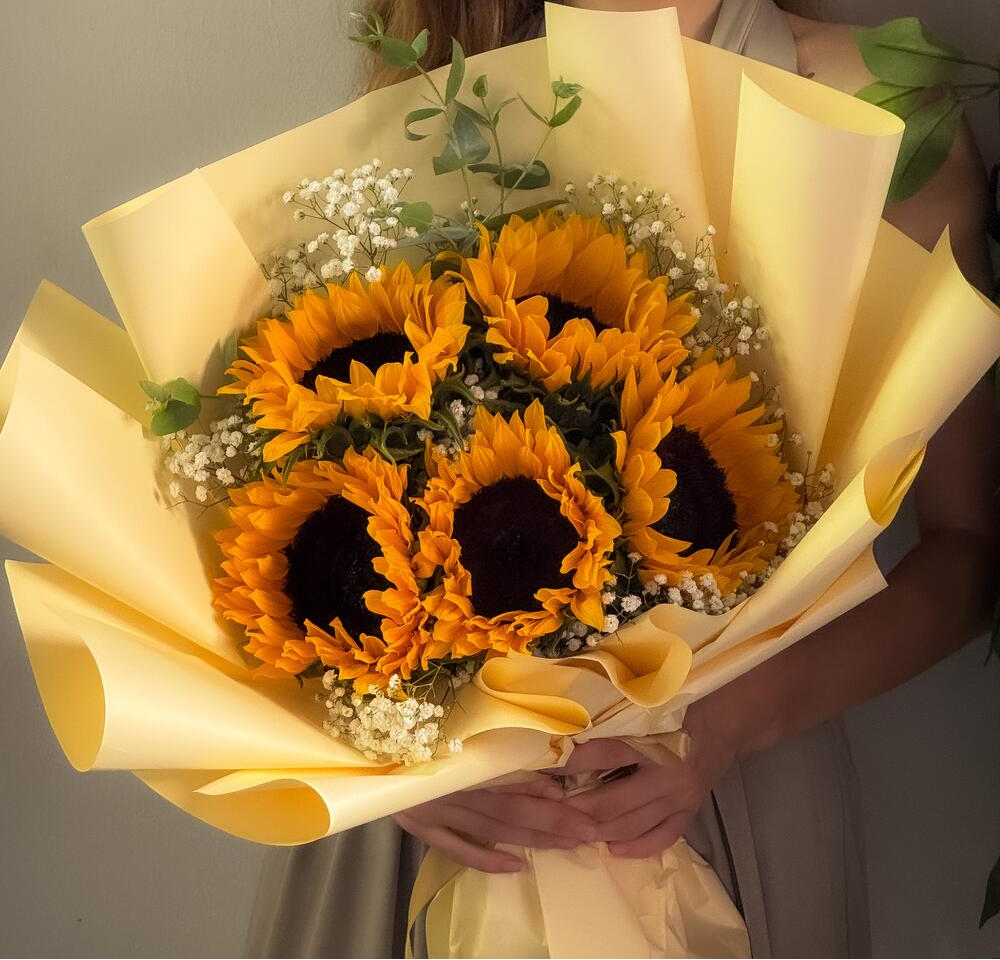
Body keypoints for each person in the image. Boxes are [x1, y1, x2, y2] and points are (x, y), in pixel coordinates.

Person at [245, 2, 999, 957]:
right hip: (429, 817)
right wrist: (394, 755)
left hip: (727, 793)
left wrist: (722, 730)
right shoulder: (437, 79)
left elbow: (967, 558)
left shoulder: (877, 99)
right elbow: (287, 515)